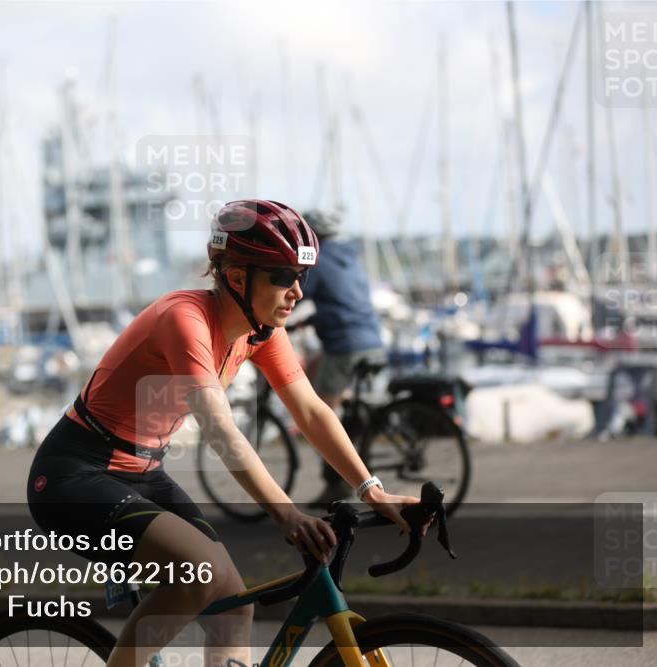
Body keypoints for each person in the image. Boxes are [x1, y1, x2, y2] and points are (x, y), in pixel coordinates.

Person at [27, 200, 420, 667]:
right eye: (282, 276)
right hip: (75, 476)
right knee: (201, 574)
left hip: (141, 472)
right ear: (237, 278)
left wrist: (372, 490)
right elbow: (220, 429)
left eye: (301, 277)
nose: (296, 291)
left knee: (234, 605)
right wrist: (286, 514)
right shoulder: (184, 320)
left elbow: (312, 411)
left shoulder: (260, 331)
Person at [300, 208, 388, 507]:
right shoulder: (351, 258)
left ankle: (335, 481)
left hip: (345, 344)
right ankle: (350, 418)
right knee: (315, 371)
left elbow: (297, 293)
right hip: (371, 340)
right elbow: (341, 300)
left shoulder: (319, 260)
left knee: (316, 416)